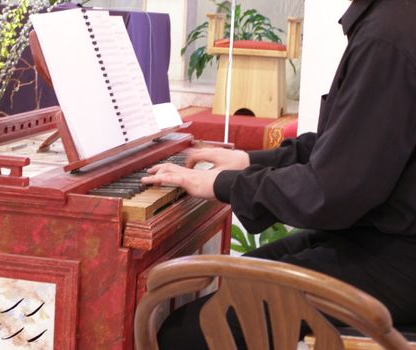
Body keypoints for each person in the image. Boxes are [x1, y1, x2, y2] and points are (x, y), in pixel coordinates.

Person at [141, 0, 416, 348]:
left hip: (399, 254)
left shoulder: (389, 33)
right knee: (231, 281)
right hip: (379, 234)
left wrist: (221, 183)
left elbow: (331, 192)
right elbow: (348, 145)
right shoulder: (391, 19)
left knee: (190, 333)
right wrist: (247, 160)